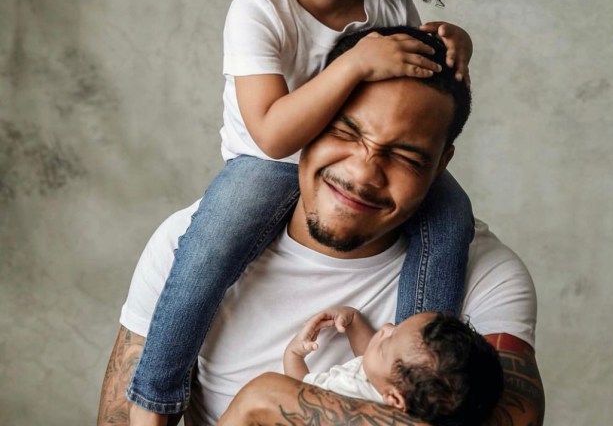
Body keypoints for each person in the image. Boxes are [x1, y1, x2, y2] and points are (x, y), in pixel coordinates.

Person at [97, 27, 544, 426]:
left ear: (442, 164)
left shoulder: (486, 275)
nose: (364, 173)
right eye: (347, 133)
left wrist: (268, 401)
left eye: (407, 156)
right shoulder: (192, 243)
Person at [127, 0, 477, 420]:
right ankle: (154, 399)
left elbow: (411, 94)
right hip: (267, 163)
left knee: (451, 213)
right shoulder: (260, 7)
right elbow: (271, 133)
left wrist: (449, 47)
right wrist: (354, 64)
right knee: (205, 252)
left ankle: (411, 381)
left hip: (355, 152)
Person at [279, 306, 504, 425]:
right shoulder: (397, 392)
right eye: (395, 327)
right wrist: (354, 321)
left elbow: (299, 389)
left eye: (387, 340)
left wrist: (293, 354)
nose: (385, 327)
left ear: (394, 399)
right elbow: (373, 359)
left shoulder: (346, 391)